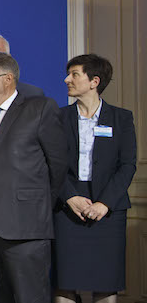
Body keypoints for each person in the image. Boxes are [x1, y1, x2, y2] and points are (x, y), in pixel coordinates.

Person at [0, 52, 67, 303]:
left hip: (26, 226)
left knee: (29, 296)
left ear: (8, 78)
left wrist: (36, 205)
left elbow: (58, 165)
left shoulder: (40, 109)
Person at [54, 54, 137, 303]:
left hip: (108, 213)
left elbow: (127, 165)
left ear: (94, 81)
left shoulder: (121, 118)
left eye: (74, 74)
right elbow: (51, 165)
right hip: (67, 212)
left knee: (105, 282)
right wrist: (69, 197)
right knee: (64, 283)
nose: (67, 79)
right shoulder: (57, 117)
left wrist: (104, 204)